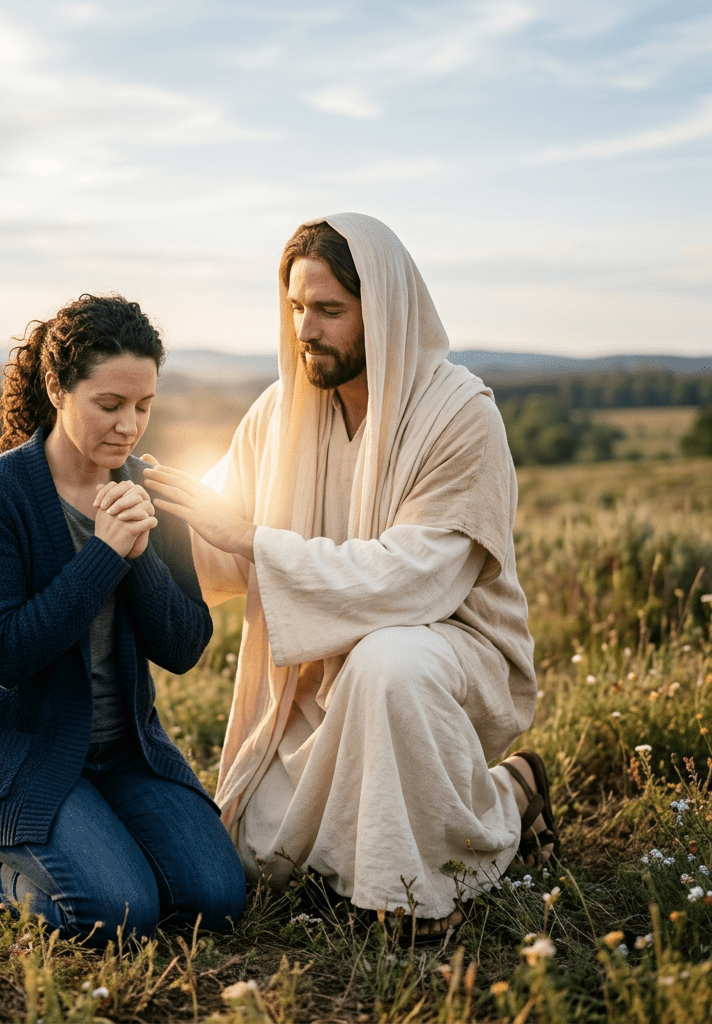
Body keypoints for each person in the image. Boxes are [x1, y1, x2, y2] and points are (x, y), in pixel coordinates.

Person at [141, 214, 558, 937]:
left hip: (443, 658)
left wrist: (255, 541)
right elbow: (214, 548)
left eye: (329, 310)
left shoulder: (460, 417)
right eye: (297, 307)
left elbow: (418, 580)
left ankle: (412, 897)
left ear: (384, 310)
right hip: (313, 680)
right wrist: (110, 517)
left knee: (386, 662)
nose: (306, 328)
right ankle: (506, 795)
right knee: (255, 857)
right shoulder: (280, 414)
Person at [0, 293, 246, 947]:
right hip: (18, 754)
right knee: (121, 917)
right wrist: (102, 555)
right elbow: (5, 654)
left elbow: (184, 647)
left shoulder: (148, 491)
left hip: (124, 753)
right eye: (109, 405)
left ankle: (91, 835)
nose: (129, 426)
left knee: (216, 900)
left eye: (144, 406)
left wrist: (140, 553)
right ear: (57, 388)